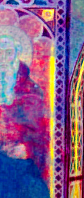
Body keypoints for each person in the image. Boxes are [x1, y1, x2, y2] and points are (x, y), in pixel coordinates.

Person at [0, 27, 49, 180]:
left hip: (19, 163)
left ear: (16, 55)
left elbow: (40, 134)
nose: (3, 59)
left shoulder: (30, 91)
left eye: (8, 53)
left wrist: (27, 148)